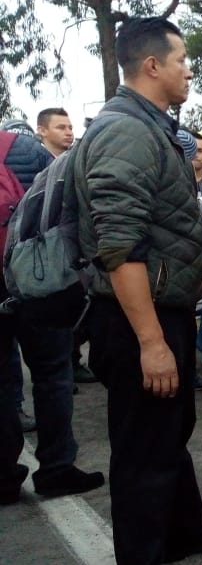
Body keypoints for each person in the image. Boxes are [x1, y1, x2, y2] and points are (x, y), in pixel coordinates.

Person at [74, 17, 202, 565]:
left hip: (161, 311)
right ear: (152, 66)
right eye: (182, 60)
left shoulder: (150, 126)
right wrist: (151, 342)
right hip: (134, 319)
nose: (189, 70)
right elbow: (118, 248)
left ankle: (181, 531)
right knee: (144, 446)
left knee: (169, 431)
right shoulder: (126, 130)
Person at [1, 128, 104, 505]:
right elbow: (61, 202)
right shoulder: (23, 147)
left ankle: (3, 477)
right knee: (52, 374)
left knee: (2, 381)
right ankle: (57, 468)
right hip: (36, 277)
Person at [36, 108, 98, 386]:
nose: (69, 132)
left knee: (80, 310)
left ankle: (73, 360)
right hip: (48, 251)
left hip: (76, 250)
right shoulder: (38, 164)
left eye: (70, 126)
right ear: (42, 130)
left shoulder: (74, 162)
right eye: (61, 127)